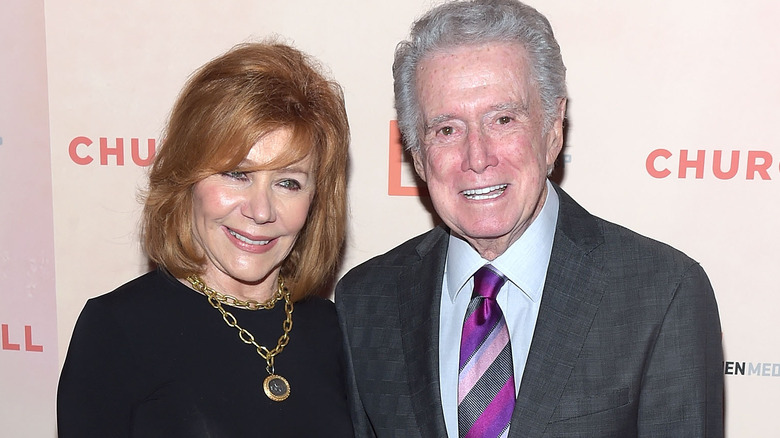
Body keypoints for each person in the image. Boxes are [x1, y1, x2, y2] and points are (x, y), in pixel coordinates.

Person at [335, 1, 724, 437]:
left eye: (503, 119)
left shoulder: (662, 293)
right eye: (446, 129)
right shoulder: (365, 303)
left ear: (553, 128)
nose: (477, 157)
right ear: (417, 155)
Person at [57, 42, 353, 437]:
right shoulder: (118, 329)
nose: (261, 211)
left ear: (314, 200)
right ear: (187, 178)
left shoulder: (336, 330)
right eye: (237, 174)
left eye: (288, 182)